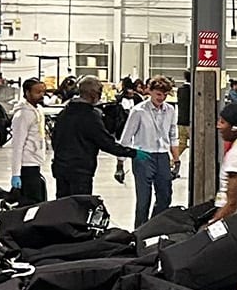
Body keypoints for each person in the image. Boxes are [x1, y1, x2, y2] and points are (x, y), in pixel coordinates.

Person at [50, 77, 133, 198]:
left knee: (63, 206)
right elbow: (105, 142)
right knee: (80, 207)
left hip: (61, 168)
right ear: (93, 93)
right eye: (100, 90)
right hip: (81, 171)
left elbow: (55, 139)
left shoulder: (64, 112)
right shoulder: (90, 116)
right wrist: (132, 153)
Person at [121, 76, 183, 224]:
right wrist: (120, 164)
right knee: (143, 200)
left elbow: (173, 135)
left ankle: (153, 227)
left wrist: (176, 159)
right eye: (158, 94)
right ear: (150, 92)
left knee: (165, 197)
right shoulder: (138, 111)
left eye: (165, 95)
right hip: (142, 155)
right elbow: (126, 138)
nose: (162, 98)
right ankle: (138, 233)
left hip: (162, 156)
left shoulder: (170, 110)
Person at [8, 77, 52, 202]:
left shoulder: (37, 110)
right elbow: (17, 146)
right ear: (27, 93)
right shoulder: (22, 115)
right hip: (26, 166)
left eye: (43, 91)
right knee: (31, 201)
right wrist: (16, 173)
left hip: (36, 163)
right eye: (38, 92)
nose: (42, 95)